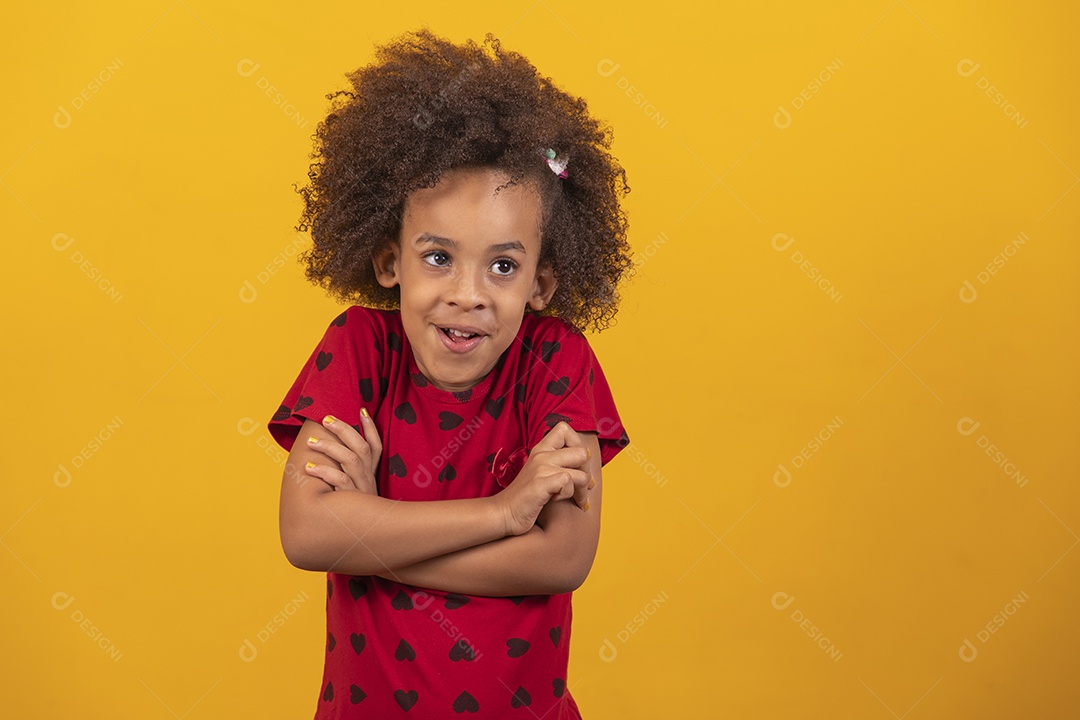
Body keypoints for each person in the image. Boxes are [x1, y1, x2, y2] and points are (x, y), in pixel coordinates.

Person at [266, 28, 632, 719]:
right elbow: (308, 537)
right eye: (438, 257)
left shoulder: (556, 362)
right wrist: (502, 513)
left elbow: (562, 559)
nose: (468, 293)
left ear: (541, 283)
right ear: (388, 262)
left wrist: (368, 535)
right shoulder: (358, 350)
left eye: (502, 265)